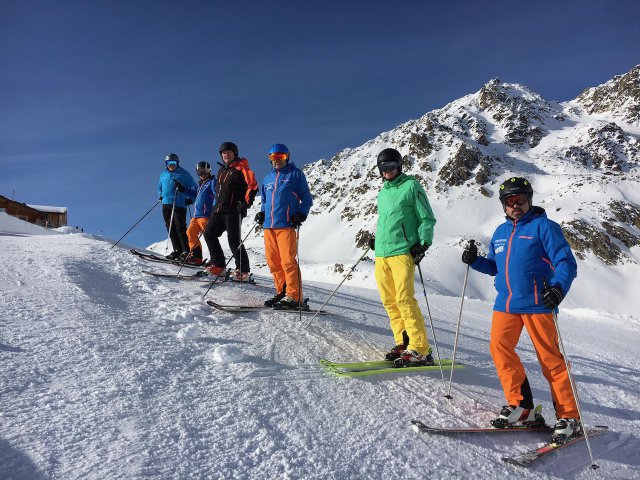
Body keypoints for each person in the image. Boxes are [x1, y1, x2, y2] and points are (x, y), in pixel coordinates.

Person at [461, 176, 580, 444]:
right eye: (510, 201)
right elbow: (495, 266)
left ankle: (569, 416)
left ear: (530, 200)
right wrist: (475, 261)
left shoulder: (544, 227)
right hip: (506, 304)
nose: (516, 205)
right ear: (504, 204)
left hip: (539, 303)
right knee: (500, 349)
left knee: (551, 360)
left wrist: (558, 288)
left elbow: (565, 262)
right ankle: (521, 406)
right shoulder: (500, 232)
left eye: (521, 199)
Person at [368, 148, 436, 367]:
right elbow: (386, 221)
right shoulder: (383, 192)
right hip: (382, 254)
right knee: (389, 301)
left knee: (404, 300)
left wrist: (423, 243)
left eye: (390, 166)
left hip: (402, 252)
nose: (387, 171)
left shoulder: (411, 186)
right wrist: (377, 240)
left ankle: (419, 348)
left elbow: (427, 218)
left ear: (399, 166)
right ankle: (403, 341)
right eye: (383, 168)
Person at [255, 144, 312, 309]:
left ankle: (294, 296)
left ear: (287, 157)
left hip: (286, 224)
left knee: (288, 261)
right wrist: (262, 213)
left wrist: (301, 213)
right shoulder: (267, 178)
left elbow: (306, 198)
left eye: (281, 156)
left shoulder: (295, 174)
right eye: (273, 157)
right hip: (269, 226)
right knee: (273, 262)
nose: (277, 160)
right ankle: (282, 292)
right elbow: (264, 201)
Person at [204, 142, 258, 280]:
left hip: (234, 210)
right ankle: (218, 265)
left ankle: (243, 270)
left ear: (235, 154)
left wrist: (245, 203)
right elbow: (219, 192)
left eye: (228, 152)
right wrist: (214, 207)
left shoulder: (242, 168)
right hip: (219, 210)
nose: (226, 155)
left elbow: (252, 186)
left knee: (233, 239)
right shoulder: (221, 171)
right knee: (209, 233)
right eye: (223, 153)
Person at [157, 153, 197, 259]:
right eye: (169, 163)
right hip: (166, 204)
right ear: (166, 164)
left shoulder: (183, 174)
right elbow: (159, 187)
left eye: (173, 163)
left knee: (180, 228)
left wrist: (191, 199)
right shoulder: (163, 175)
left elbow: (194, 188)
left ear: (177, 163)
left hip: (178, 204)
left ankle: (186, 251)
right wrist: (160, 195)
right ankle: (177, 250)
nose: (171, 165)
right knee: (170, 227)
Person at [180, 161, 216, 266]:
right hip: (196, 216)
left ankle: (215, 259)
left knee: (209, 236)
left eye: (205, 170)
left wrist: (214, 208)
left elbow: (217, 195)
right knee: (190, 233)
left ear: (209, 171)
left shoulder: (213, 182)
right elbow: (193, 193)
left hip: (206, 214)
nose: (202, 173)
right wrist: (183, 189)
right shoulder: (200, 185)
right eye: (200, 171)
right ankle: (196, 257)